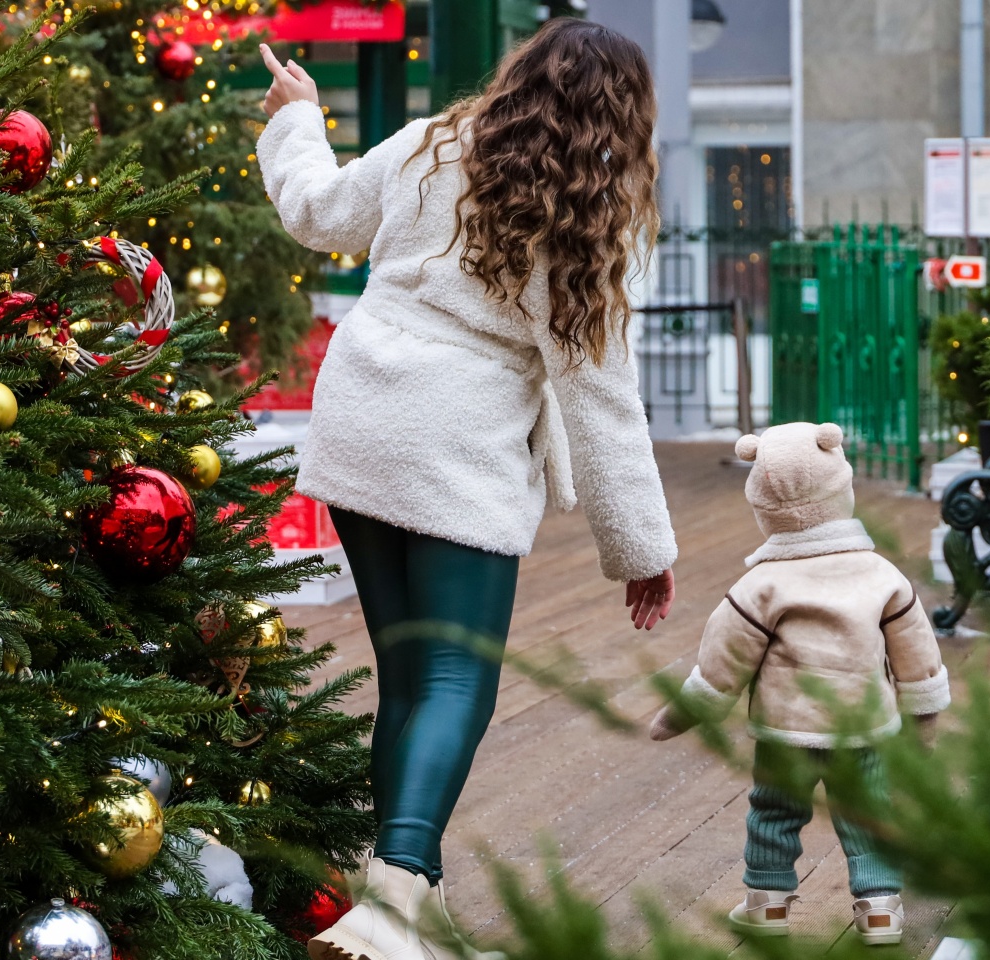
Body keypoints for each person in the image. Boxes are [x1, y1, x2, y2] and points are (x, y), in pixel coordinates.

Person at [255, 17, 679, 960]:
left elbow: (319, 213)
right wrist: (641, 552)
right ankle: (396, 900)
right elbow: (599, 396)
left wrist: (298, 118)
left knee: (411, 678)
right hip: (456, 442)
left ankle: (409, 906)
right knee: (456, 679)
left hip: (364, 416)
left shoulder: (432, 142)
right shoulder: (584, 212)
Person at [648, 422, 951, 947]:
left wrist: (684, 710)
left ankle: (766, 904)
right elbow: (917, 653)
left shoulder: (759, 585)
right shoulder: (881, 575)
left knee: (774, 812)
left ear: (762, 506)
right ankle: (879, 909)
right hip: (865, 726)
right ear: (842, 490)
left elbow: (724, 660)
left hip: (786, 730)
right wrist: (925, 717)